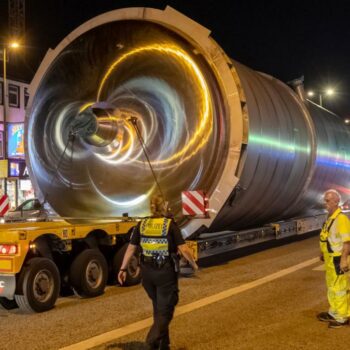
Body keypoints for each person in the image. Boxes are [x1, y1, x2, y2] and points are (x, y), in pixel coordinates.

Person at [118, 194, 198, 349]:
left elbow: (131, 248)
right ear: (164, 207)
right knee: (166, 310)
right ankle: (150, 343)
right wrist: (193, 263)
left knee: (159, 307)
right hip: (164, 273)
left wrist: (123, 268)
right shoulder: (169, 225)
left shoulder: (142, 224)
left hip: (147, 274)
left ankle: (164, 344)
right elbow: (183, 248)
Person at [317, 189, 350, 328]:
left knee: (340, 288)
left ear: (336, 201)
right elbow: (327, 238)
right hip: (330, 259)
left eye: (328, 200)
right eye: (325, 200)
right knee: (332, 287)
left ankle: (342, 316)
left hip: (337, 259)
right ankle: (334, 312)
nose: (325, 203)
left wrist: (343, 259)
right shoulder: (331, 218)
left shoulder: (341, 219)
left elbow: (347, 242)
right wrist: (322, 252)